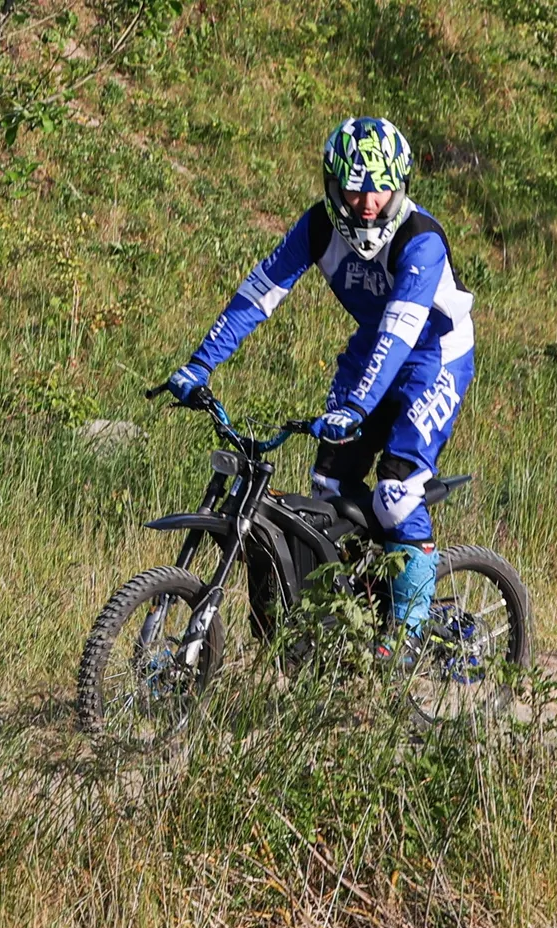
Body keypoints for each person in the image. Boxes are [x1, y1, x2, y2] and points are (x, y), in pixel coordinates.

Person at [162, 116, 474, 656]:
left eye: (380, 187)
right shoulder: (319, 228)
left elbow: (403, 329)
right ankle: (355, 606)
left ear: (400, 185)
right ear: (333, 188)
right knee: (330, 489)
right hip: (373, 349)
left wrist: (356, 405)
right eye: (354, 189)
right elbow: (259, 293)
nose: (368, 203)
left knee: (396, 494)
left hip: (433, 355)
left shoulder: (421, 240)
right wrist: (199, 365)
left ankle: (407, 637)